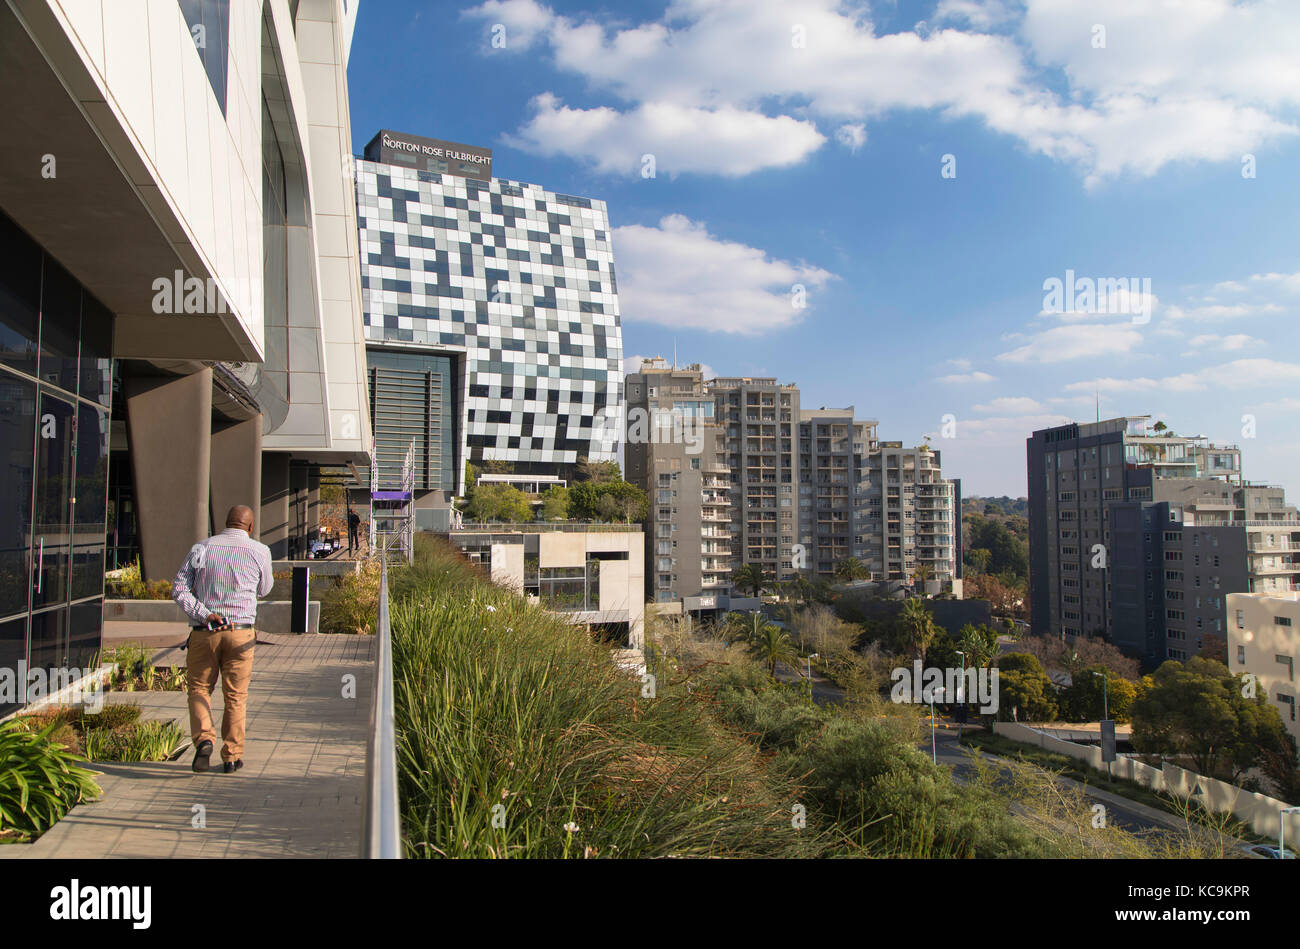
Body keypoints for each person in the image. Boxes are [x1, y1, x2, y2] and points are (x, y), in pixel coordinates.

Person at [172, 505, 274, 774]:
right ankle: (231, 756)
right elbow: (264, 589)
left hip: (205, 631)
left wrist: (204, 613)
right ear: (250, 527)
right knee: (236, 696)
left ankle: (204, 739)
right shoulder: (260, 551)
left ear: (225, 523)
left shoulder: (201, 548)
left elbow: (179, 588)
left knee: (198, 689)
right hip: (241, 633)